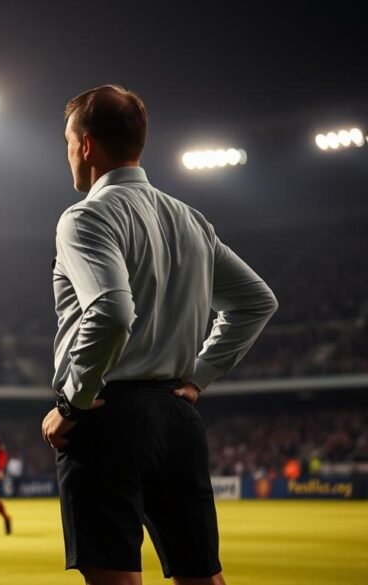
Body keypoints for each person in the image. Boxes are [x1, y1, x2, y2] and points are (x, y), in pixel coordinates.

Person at [41, 85, 277, 585]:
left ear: (86, 145)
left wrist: (73, 405)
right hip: (177, 418)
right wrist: (199, 377)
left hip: (106, 418)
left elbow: (111, 311)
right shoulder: (191, 220)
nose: (67, 154)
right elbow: (257, 301)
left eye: (67, 141)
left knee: (116, 578)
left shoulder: (87, 216)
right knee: (202, 577)